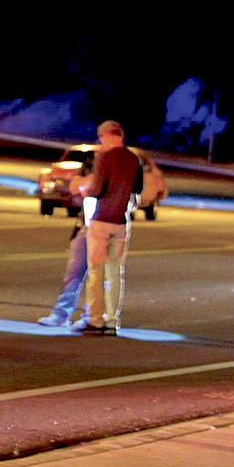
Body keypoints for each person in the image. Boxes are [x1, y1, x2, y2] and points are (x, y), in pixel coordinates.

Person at [74, 119, 137, 334]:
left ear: (107, 135)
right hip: (121, 223)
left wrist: (85, 190)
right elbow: (137, 188)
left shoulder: (105, 158)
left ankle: (96, 319)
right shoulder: (133, 159)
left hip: (102, 221)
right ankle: (113, 320)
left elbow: (98, 189)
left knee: (96, 272)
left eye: (101, 137)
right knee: (115, 273)